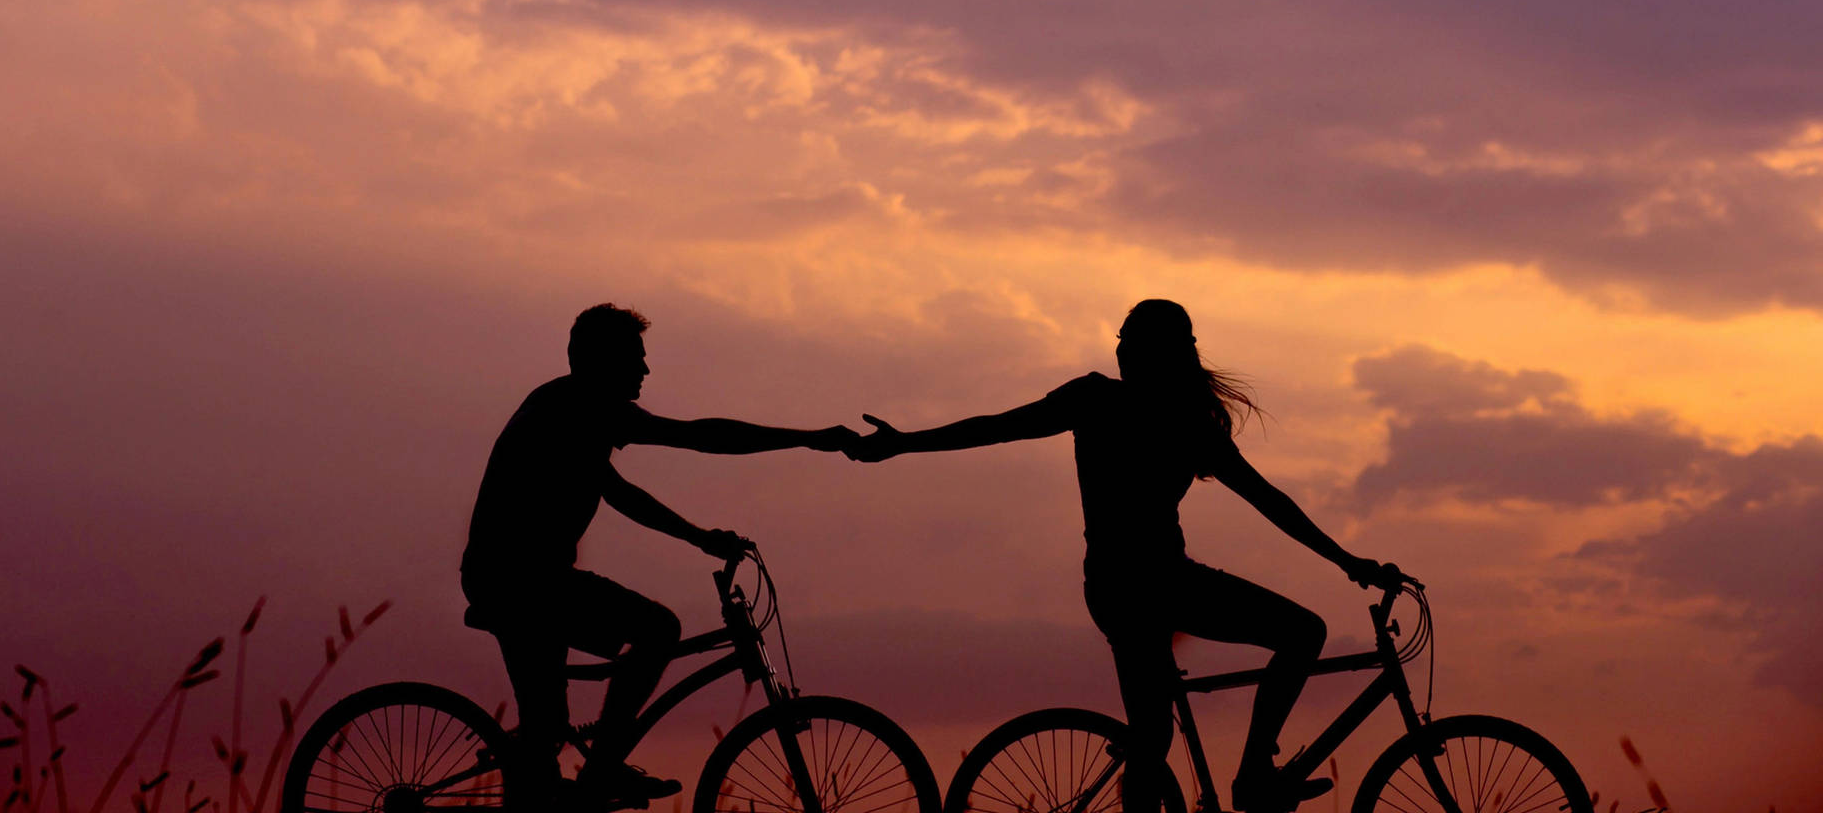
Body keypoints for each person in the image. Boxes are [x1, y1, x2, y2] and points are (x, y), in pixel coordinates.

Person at [845, 299, 1404, 813]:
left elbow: (1269, 501)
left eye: (1129, 342)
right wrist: (1348, 562)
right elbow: (997, 428)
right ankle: (1255, 773)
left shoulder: (1137, 411)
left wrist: (1346, 559)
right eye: (1121, 341)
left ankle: (1238, 776)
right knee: (1300, 634)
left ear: (1152, 354)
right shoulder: (1150, 414)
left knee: (1153, 735)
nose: (1119, 351)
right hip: (1155, 584)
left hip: (1121, 587)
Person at [462, 303, 857, 807]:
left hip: (526, 581)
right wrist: (810, 439)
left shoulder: (570, 412)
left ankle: (580, 776)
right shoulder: (579, 408)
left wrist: (700, 537)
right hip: (520, 583)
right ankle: (602, 769)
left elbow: (620, 493)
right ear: (602, 360)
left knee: (547, 738)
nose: (645, 370)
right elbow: (699, 436)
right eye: (635, 358)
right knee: (657, 630)